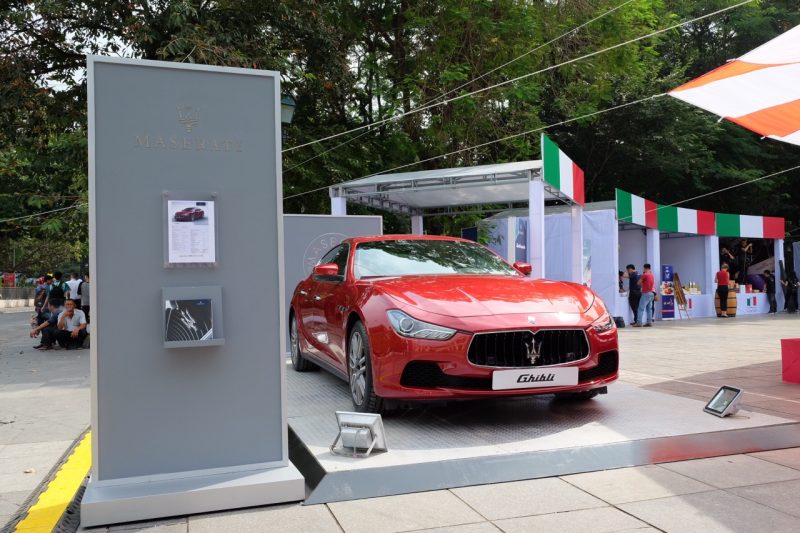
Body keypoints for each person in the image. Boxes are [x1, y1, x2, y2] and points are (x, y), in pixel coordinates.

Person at [634, 263, 655, 327]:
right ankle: (649, 322)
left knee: (640, 309)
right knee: (649, 309)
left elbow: (638, 283)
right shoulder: (652, 275)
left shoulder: (645, 274)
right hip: (651, 293)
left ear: (645, 268)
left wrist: (642, 282)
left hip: (645, 293)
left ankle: (639, 322)